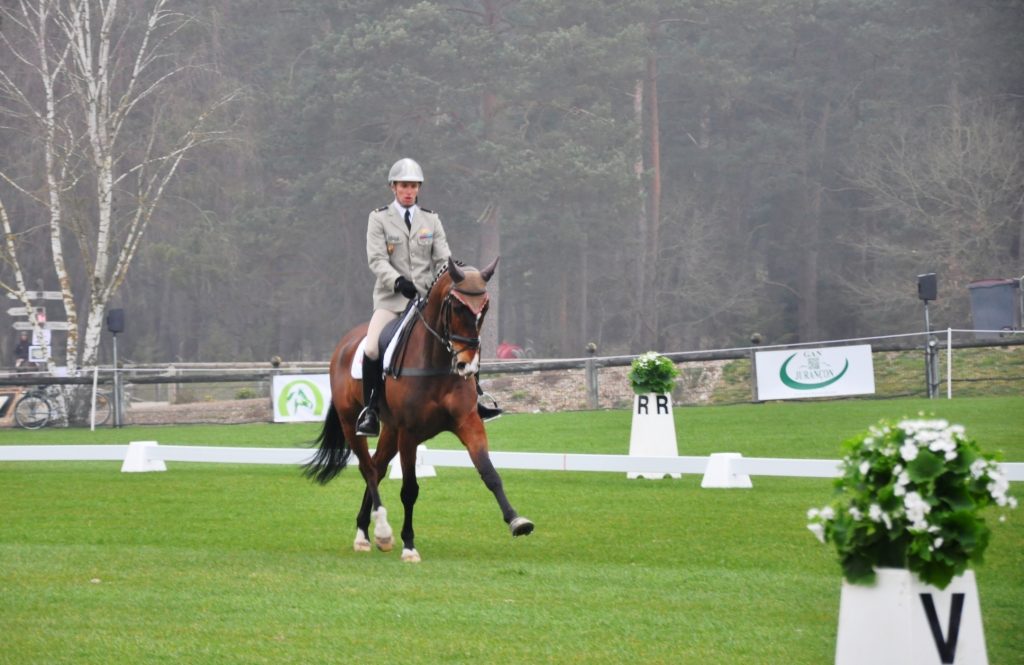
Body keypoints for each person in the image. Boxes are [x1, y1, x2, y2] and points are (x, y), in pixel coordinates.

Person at [356, 158, 502, 437]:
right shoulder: (379, 218)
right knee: (373, 348)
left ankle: (478, 398)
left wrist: (457, 271)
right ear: (393, 187)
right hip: (391, 301)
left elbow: (442, 256)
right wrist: (398, 282)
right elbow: (376, 259)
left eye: (413, 186)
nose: (408, 191)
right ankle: (371, 410)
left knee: (465, 335)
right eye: (403, 186)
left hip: (425, 301)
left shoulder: (430, 219)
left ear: (418, 188)